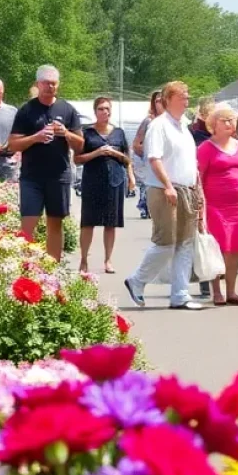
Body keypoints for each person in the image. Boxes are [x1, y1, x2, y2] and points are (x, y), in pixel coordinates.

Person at [123, 80, 206, 312]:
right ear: (168, 100)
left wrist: (196, 189)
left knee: (185, 244)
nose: (186, 99)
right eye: (182, 96)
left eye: (187, 95)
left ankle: (180, 294)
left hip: (186, 190)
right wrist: (168, 185)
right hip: (164, 190)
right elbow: (154, 158)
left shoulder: (184, 127)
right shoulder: (159, 126)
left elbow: (190, 162)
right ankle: (137, 280)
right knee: (166, 243)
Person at [8, 65, 84, 261]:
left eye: (54, 83)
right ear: (38, 84)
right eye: (46, 83)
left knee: (55, 223)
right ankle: (25, 266)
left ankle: (52, 268)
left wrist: (65, 133)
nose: (50, 87)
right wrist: (36, 137)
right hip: (32, 177)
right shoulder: (27, 110)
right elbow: (13, 144)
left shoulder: (67, 110)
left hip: (59, 175)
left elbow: (81, 145)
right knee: (28, 223)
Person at [198, 102, 238, 306]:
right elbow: (199, 177)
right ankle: (217, 291)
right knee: (218, 247)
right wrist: (201, 206)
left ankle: (232, 291)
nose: (230, 123)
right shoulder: (206, 148)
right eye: (225, 120)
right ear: (213, 125)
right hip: (215, 205)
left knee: (236, 248)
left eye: (232, 120)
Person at [74, 96, 131, 274]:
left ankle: (108, 260)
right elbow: (77, 159)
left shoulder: (119, 133)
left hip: (114, 181)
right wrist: (97, 152)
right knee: (88, 222)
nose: (105, 112)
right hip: (92, 181)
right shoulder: (87, 133)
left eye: (107, 109)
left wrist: (116, 155)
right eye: (101, 109)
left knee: (111, 223)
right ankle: (83, 260)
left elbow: (127, 159)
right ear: (95, 111)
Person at [132, 90, 164, 219]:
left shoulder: (174, 121)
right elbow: (136, 144)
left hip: (166, 161)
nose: (160, 104)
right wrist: (148, 152)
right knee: (148, 185)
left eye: (162, 100)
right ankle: (145, 207)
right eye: (157, 101)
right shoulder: (148, 121)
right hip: (151, 161)